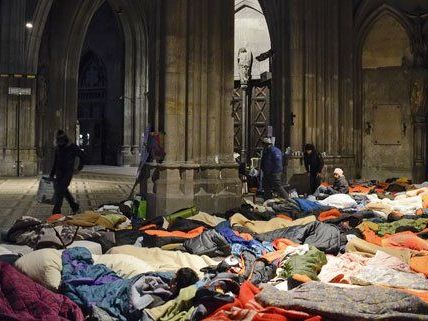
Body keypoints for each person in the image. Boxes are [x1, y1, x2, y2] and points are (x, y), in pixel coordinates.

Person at [49, 130, 85, 214]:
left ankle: (56, 211)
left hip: (67, 172)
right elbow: (56, 162)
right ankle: (74, 206)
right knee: (63, 190)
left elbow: (82, 156)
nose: (60, 142)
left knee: (60, 191)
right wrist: (51, 174)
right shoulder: (57, 147)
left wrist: (79, 168)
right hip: (59, 173)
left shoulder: (72, 146)